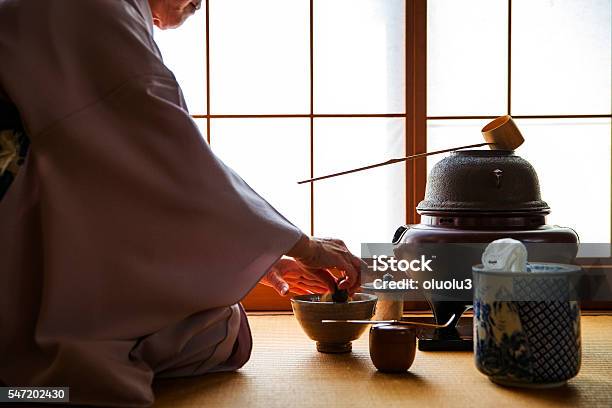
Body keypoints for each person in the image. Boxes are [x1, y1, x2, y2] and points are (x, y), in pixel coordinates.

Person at [0, 0, 363, 406]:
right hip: (18, 244)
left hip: (32, 217)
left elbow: (125, 180)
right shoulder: (98, 10)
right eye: (194, 5)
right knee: (222, 330)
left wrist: (263, 258)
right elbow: (173, 167)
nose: (193, 9)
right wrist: (301, 246)